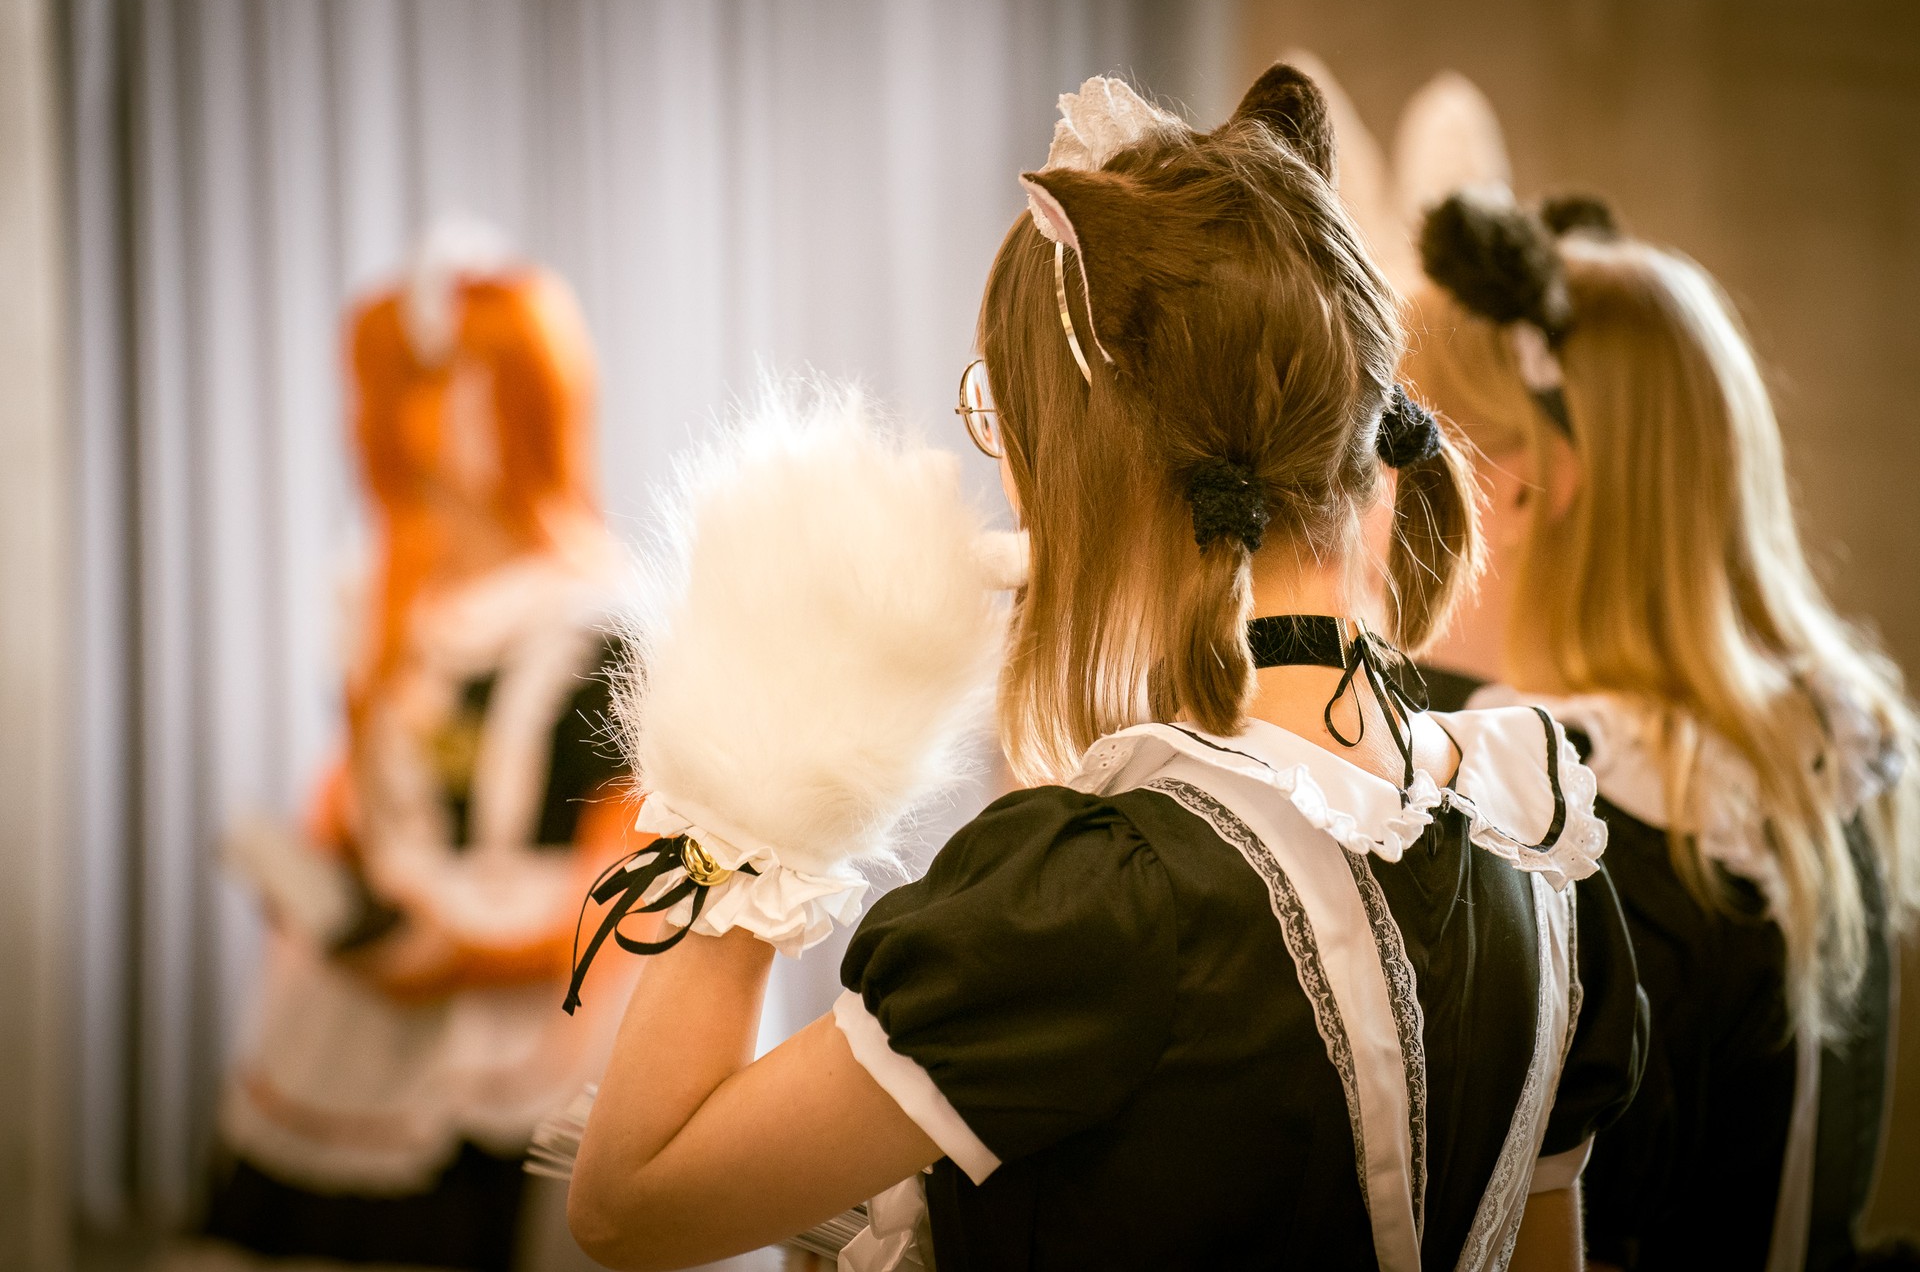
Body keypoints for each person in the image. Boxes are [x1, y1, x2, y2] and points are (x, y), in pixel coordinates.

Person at [562, 69, 1645, 1272]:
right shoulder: (1535, 825)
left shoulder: (1103, 897)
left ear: (1089, 456)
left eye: (1005, 419)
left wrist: (760, 771)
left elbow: (629, 1202)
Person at [1406, 191, 1919, 1271]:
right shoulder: (1810, 750)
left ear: (1527, 489)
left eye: (1411, 447)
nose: (1380, 501)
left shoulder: (1575, 824)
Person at [205, 224, 647, 1272]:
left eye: (462, 382)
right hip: (361, 1005)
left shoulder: (606, 616)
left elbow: (633, 882)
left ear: (533, 395)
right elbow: (355, 794)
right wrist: (316, 883)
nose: (432, 415)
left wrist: (461, 953)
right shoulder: (375, 594)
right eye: (412, 383)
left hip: (523, 1024)